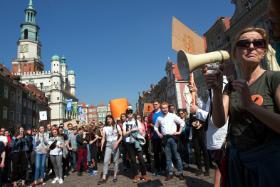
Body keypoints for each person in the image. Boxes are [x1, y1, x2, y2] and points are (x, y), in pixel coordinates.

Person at [205, 27, 280, 187]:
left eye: (258, 43)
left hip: (269, 164)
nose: (251, 47)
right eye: (244, 43)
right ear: (235, 53)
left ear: (264, 51)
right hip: (238, 163)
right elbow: (219, 121)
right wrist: (217, 92)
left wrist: (250, 105)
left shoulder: (274, 79)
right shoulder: (230, 87)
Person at [154, 102, 185, 181]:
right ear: (161, 108)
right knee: (168, 157)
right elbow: (155, 127)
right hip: (165, 139)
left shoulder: (173, 116)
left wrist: (179, 132)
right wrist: (159, 133)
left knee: (177, 156)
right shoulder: (159, 118)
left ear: (168, 108)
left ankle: (180, 173)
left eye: (166, 108)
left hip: (173, 138)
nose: (164, 109)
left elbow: (182, 122)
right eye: (163, 108)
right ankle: (170, 173)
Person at [123, 108, 150, 183]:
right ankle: (136, 175)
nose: (129, 114)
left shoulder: (137, 121)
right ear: (126, 115)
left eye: (130, 113)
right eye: (128, 113)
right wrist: (131, 130)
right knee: (133, 160)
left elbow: (142, 130)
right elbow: (124, 134)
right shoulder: (125, 123)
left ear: (132, 113)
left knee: (141, 159)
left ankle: (144, 174)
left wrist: (141, 134)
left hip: (137, 142)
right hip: (129, 143)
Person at [98, 115, 122, 184]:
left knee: (115, 161)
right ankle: (104, 177)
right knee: (105, 161)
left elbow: (121, 135)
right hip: (108, 145)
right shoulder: (105, 128)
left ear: (112, 119)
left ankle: (115, 176)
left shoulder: (116, 126)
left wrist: (117, 143)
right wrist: (102, 146)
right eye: (107, 119)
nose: (108, 120)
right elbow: (103, 138)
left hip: (115, 143)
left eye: (110, 119)